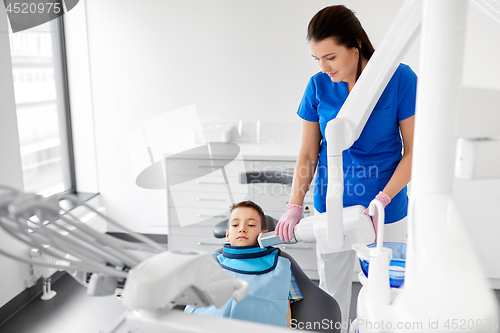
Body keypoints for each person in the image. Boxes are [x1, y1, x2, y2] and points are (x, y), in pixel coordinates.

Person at [275, 5, 417, 333]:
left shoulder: (400, 79)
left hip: (385, 209)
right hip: (332, 208)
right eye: (317, 59)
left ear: (355, 45)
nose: (324, 68)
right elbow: (309, 152)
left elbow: (414, 151)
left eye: (331, 57)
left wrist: (383, 198)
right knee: (331, 292)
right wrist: (295, 204)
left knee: (386, 295)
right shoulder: (318, 86)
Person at [185, 200, 303, 328]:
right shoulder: (210, 262)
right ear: (228, 235)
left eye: (251, 225)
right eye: (235, 225)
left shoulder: (281, 266)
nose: (242, 229)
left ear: (263, 234)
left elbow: (285, 310)